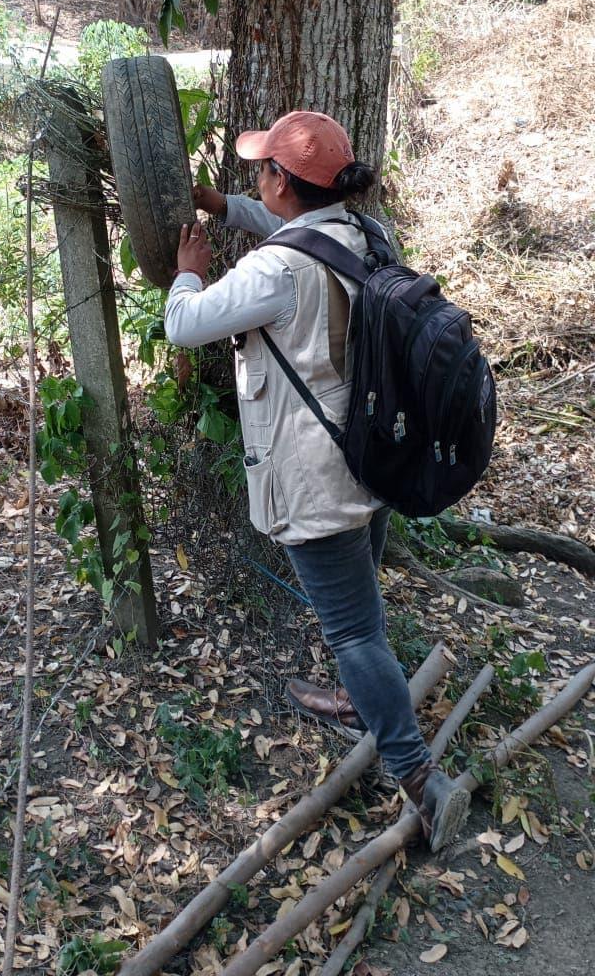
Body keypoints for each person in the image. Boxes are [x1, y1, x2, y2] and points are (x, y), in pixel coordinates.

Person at [163, 110, 470, 852]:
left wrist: (188, 271)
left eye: (262, 170)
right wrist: (223, 209)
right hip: (375, 460)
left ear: (284, 181)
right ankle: (365, 703)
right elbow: (291, 229)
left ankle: (420, 780)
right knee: (363, 614)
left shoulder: (274, 272)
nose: (256, 177)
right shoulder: (368, 232)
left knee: (356, 631)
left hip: (317, 476)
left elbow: (184, 323)